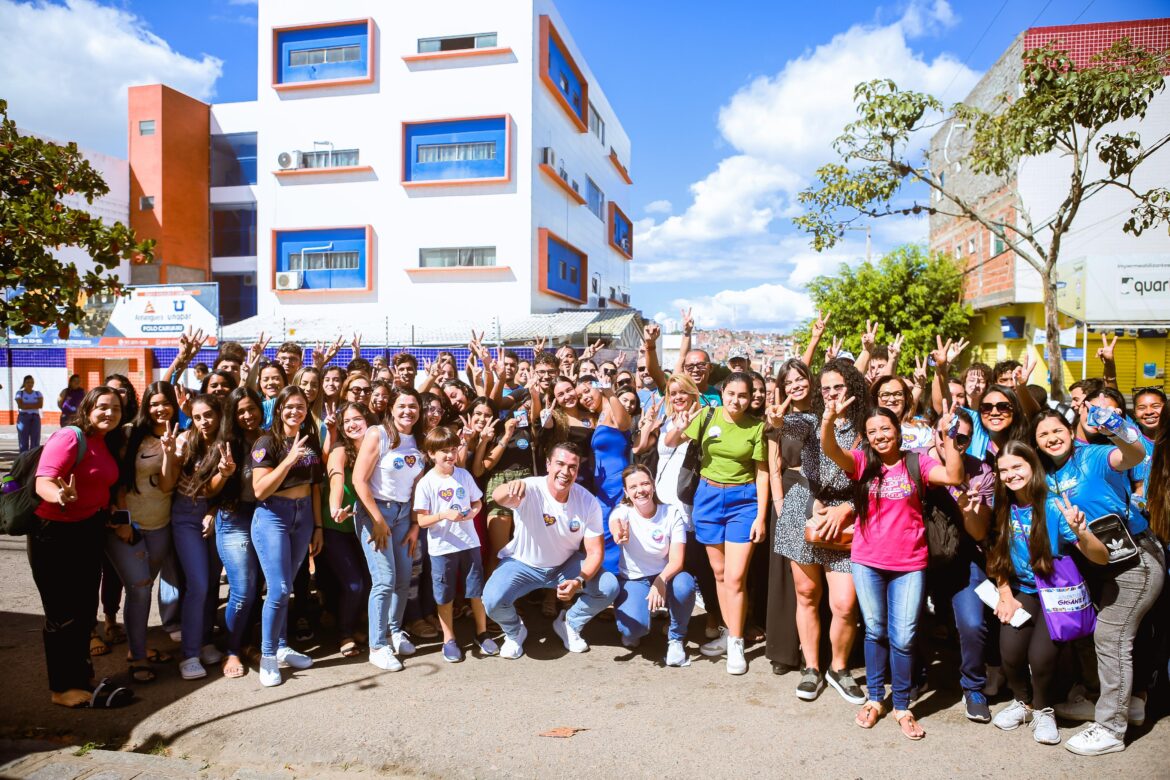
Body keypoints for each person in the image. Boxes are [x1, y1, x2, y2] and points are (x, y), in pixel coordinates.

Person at [820, 400, 965, 741]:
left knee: (903, 637)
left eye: (886, 429)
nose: (880, 436)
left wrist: (951, 438)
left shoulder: (916, 462)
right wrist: (828, 420)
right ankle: (874, 699)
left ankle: (902, 706)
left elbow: (954, 476)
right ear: (867, 438)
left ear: (899, 431)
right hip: (867, 561)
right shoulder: (861, 463)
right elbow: (831, 450)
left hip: (909, 565)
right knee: (875, 631)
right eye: (873, 432)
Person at [1032, 406, 1162, 755]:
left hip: (1137, 559)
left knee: (1111, 635)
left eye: (1056, 430)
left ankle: (1110, 728)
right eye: (1043, 435)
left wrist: (1118, 429)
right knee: (1089, 629)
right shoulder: (1046, 475)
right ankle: (1103, 700)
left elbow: (1132, 454)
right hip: (1097, 563)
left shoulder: (1093, 455)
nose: (1051, 438)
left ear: (1069, 430)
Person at [986, 442, 1109, 745]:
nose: (1011, 474)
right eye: (1004, 470)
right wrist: (1004, 592)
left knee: (1040, 658)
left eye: (1017, 466)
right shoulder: (1003, 506)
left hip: (1055, 592)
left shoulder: (1053, 505)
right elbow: (997, 555)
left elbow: (1101, 557)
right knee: (1010, 653)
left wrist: (1081, 531)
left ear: (1032, 467)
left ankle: (1044, 709)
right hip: (1023, 590)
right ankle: (1023, 703)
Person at [29, 387, 131, 708]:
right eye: (102, 407)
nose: (109, 413)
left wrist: (109, 509)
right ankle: (62, 688)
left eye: (115, 408)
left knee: (85, 611)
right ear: (87, 408)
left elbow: (101, 484)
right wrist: (58, 495)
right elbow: (43, 480)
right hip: (55, 533)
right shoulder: (70, 437)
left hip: (89, 530)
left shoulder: (105, 442)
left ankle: (80, 677)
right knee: (62, 613)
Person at [663, 371, 768, 675]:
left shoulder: (756, 427)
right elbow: (671, 442)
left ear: (751, 398)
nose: (736, 401)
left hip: (743, 502)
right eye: (731, 394)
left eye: (743, 396)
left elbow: (762, 473)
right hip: (707, 498)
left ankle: (736, 641)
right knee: (720, 574)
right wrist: (677, 428)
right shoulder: (708, 415)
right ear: (723, 392)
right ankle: (727, 631)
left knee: (735, 577)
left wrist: (761, 516)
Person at [774, 358, 865, 698]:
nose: (830, 394)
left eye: (837, 387)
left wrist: (848, 508)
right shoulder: (809, 420)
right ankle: (811, 667)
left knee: (843, 604)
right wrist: (777, 420)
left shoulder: (865, 426)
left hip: (847, 516)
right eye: (825, 388)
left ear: (851, 387)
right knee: (807, 596)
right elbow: (787, 427)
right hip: (805, 510)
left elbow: (873, 478)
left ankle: (839, 668)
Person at [482, 441, 620, 658]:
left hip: (565, 566)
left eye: (572, 467)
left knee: (608, 586)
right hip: (522, 565)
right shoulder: (529, 487)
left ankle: (569, 623)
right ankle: (514, 631)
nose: (565, 472)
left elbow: (595, 552)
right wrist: (509, 487)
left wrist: (579, 580)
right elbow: (499, 497)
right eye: (560, 464)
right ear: (548, 464)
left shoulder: (588, 501)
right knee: (491, 600)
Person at [250, 386, 324, 687]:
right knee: (279, 589)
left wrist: (318, 527)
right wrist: (288, 459)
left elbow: (315, 487)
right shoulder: (266, 442)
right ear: (279, 408)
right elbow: (260, 490)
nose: (296, 412)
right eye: (290, 406)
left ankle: (281, 647)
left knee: (288, 586)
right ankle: (268, 656)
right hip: (273, 516)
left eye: (302, 407)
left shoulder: (310, 440)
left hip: (303, 515)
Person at [109, 381, 181, 684]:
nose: (160, 409)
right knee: (139, 589)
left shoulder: (176, 437)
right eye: (154, 403)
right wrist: (124, 522)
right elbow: (118, 483)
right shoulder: (129, 434)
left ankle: (135, 647)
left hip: (160, 525)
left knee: (145, 588)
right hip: (129, 528)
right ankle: (138, 656)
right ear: (146, 407)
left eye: (166, 403)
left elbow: (167, 486)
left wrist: (169, 452)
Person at [352, 387, 427, 671]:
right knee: (383, 580)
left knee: (403, 578)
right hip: (376, 513)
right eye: (402, 405)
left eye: (413, 406)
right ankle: (377, 645)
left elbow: (417, 485)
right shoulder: (377, 434)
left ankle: (395, 631)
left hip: (404, 514)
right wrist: (378, 521)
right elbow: (360, 481)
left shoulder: (417, 440)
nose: (408, 411)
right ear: (391, 409)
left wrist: (415, 524)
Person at [413, 426, 499, 662]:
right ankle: (449, 639)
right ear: (431, 454)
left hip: (469, 543)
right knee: (445, 595)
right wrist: (443, 515)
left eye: (452, 450)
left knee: (476, 591)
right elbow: (421, 520)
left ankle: (481, 633)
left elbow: (477, 502)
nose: (450, 455)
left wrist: (473, 512)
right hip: (442, 548)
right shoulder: (426, 483)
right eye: (443, 451)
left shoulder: (463, 475)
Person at [171, 394, 232, 680]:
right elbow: (170, 483)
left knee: (210, 583)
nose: (203, 422)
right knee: (197, 583)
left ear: (219, 414)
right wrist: (170, 457)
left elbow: (227, 488)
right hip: (185, 515)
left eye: (208, 415)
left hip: (214, 514)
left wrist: (214, 510)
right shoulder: (185, 441)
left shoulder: (228, 444)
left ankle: (206, 641)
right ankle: (190, 653)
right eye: (197, 417)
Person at [608, 465, 695, 666]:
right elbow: (616, 522)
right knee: (633, 631)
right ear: (626, 492)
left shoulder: (671, 513)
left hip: (666, 575)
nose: (640, 490)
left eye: (645, 483)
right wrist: (618, 533)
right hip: (634, 578)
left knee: (685, 584)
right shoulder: (623, 512)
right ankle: (638, 617)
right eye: (633, 487)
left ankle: (676, 638)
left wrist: (660, 580)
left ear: (653, 486)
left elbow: (677, 561)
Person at [215, 387, 265, 678]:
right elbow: (207, 489)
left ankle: (245, 644)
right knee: (243, 590)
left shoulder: (268, 438)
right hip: (234, 518)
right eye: (240, 411)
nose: (247, 415)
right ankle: (231, 650)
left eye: (252, 409)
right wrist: (223, 472)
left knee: (256, 589)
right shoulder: (226, 443)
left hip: (264, 517)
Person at [323, 401, 375, 659]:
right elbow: (336, 479)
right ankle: (344, 633)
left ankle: (358, 627)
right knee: (353, 584)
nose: (352, 424)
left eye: (358, 418)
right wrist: (335, 507)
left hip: (365, 526)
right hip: (338, 526)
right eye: (347, 422)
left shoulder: (376, 447)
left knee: (370, 581)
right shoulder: (340, 450)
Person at [16, 375, 44, 453]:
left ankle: (33, 457)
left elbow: (40, 405)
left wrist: (27, 405)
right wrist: (34, 405)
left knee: (35, 439)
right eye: (28, 382)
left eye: (32, 382)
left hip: (35, 417)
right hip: (23, 417)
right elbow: (21, 406)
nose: (30, 384)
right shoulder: (20, 393)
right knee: (23, 440)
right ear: (24, 383)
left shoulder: (38, 393)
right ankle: (23, 458)